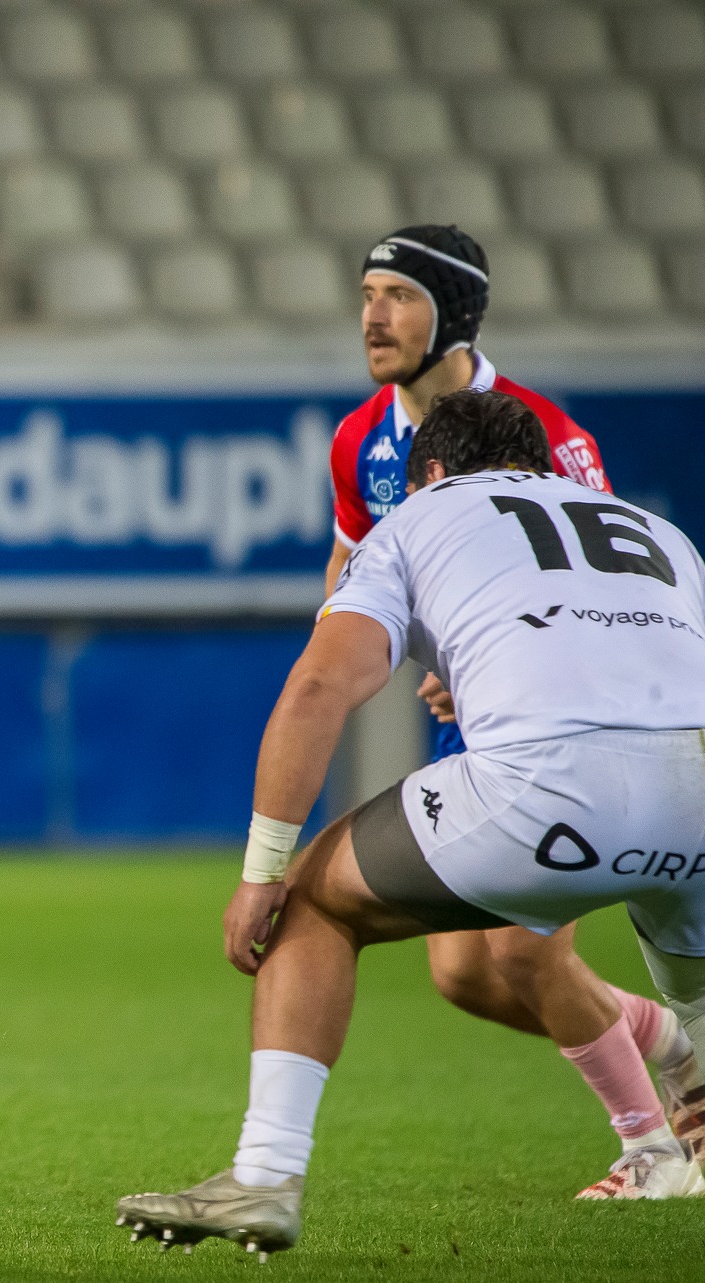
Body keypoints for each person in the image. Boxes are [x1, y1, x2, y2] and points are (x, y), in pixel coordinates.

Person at [118, 389, 705, 1258]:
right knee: (693, 998)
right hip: (695, 793)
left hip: (548, 789)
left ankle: (265, 1175)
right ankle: (669, 1105)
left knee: (314, 896)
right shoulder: (653, 529)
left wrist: (260, 869)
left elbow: (321, 687)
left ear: (428, 471)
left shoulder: (418, 517)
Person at [326, 226, 700, 1195]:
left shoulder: (538, 428)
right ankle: (669, 1043)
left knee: (520, 956)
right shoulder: (357, 438)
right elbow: (350, 568)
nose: (372, 314)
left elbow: (599, 584)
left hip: (564, 716)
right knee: (464, 976)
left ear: (451, 313)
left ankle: (651, 1147)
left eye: (396, 295)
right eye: (365, 292)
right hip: (466, 712)